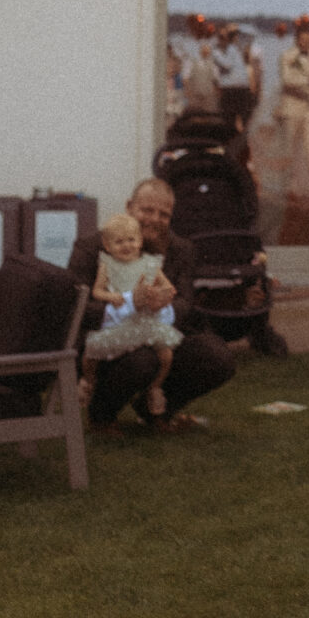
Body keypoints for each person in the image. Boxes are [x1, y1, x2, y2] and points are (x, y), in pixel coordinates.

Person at [67, 178, 235, 431]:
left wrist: (162, 305)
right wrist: (128, 306)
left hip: (158, 332)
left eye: (164, 214)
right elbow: (78, 310)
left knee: (218, 357)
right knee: (143, 360)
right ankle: (102, 413)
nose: (154, 219)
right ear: (129, 207)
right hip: (106, 340)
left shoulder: (181, 250)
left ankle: (155, 411)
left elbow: (185, 304)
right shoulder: (91, 248)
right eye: (147, 210)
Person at [81, 210, 180, 420]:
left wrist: (162, 295)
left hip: (145, 320)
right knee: (91, 352)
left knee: (166, 355)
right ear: (107, 246)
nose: (126, 246)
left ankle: (155, 389)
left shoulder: (150, 264)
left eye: (131, 240)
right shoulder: (107, 265)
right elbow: (96, 291)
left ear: (140, 241)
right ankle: (89, 382)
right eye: (119, 242)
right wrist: (110, 296)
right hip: (121, 320)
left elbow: (169, 287)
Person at [277, 22, 309, 201]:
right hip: (291, 107)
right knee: (291, 149)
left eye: (308, 40)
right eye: (302, 40)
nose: (305, 43)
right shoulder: (287, 56)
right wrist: (308, 81)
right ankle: (291, 188)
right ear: (297, 39)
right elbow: (287, 80)